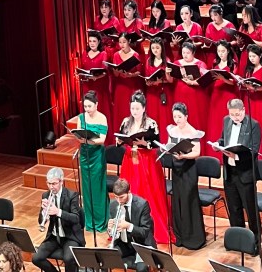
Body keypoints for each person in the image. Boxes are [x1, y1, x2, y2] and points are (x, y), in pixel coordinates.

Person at [118, 92, 170, 243]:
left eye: (137, 108)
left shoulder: (151, 124)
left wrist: (144, 143)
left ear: (143, 108)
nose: (134, 111)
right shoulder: (126, 122)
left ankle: (148, 226)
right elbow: (120, 138)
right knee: (130, 188)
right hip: (130, 159)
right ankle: (128, 225)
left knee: (148, 191)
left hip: (146, 161)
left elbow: (156, 143)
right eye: (132, 108)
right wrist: (120, 141)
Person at [217, 98, 261, 242]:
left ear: (243, 110)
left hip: (246, 174)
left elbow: (254, 151)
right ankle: (238, 241)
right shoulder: (226, 120)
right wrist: (218, 144)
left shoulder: (253, 125)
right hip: (230, 172)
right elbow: (223, 139)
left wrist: (236, 156)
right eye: (232, 114)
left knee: (250, 210)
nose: (235, 117)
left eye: (237, 114)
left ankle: (255, 242)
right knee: (234, 208)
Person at [166, 102, 206, 249]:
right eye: (175, 117)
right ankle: (180, 235)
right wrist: (168, 150)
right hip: (176, 169)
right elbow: (169, 145)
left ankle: (193, 238)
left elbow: (197, 152)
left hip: (188, 169)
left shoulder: (193, 132)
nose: (177, 120)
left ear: (186, 116)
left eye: (180, 117)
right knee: (178, 200)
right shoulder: (172, 130)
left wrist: (184, 156)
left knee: (189, 200)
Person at [70, 91, 108, 233]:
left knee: (97, 187)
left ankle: (100, 222)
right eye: (85, 106)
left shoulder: (102, 118)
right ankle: (90, 222)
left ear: (96, 105)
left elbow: (102, 139)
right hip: (85, 154)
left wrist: (88, 141)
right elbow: (79, 135)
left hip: (97, 155)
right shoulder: (81, 117)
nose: (87, 109)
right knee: (87, 188)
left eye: (90, 106)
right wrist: (81, 139)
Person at [33, 168, 85, 272]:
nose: (51, 187)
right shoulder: (45, 195)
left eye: (54, 184)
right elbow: (40, 221)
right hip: (54, 236)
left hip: (70, 237)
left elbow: (76, 218)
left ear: (61, 182)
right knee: (36, 258)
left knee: (68, 259)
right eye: (49, 183)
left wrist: (58, 212)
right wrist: (44, 212)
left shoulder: (72, 195)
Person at [108, 177, 156, 272]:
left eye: (121, 197)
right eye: (116, 197)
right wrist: (110, 229)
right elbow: (114, 235)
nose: (119, 201)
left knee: (142, 269)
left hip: (142, 245)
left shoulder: (142, 205)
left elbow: (144, 232)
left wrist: (128, 226)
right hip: (124, 244)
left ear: (129, 192)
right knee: (105, 259)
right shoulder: (113, 205)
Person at [171, 40, 209, 128]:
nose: (185, 55)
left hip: (196, 96)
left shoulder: (200, 64)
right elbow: (171, 80)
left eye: (188, 53)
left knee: (195, 117)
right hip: (180, 94)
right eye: (183, 52)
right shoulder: (177, 63)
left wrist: (192, 82)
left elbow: (205, 81)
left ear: (193, 53)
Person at [77, 30, 112, 123]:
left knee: (99, 108)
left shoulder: (103, 54)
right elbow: (82, 67)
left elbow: (105, 71)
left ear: (99, 42)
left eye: (94, 41)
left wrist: (96, 77)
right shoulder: (84, 53)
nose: (92, 43)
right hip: (87, 85)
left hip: (99, 87)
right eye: (90, 41)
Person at [208, 39, 240, 136]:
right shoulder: (215, 63)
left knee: (227, 119)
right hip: (216, 94)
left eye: (223, 51)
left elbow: (234, 82)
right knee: (216, 120)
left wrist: (223, 79)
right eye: (218, 51)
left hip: (228, 94)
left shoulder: (233, 64)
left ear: (228, 51)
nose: (220, 54)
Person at [111, 31, 143, 128]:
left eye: (124, 42)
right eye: (120, 42)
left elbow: (139, 72)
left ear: (129, 41)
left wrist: (131, 75)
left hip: (131, 86)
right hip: (120, 87)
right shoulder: (116, 55)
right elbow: (115, 74)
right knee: (120, 110)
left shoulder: (135, 55)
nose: (122, 45)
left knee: (131, 110)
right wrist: (116, 71)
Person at [143, 37, 173, 138]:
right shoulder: (148, 61)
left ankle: (164, 140)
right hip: (152, 92)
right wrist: (148, 82)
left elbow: (170, 80)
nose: (155, 50)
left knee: (164, 117)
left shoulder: (167, 61)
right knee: (152, 116)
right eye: (153, 48)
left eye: (157, 48)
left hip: (163, 92)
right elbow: (147, 77)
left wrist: (161, 81)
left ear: (162, 48)